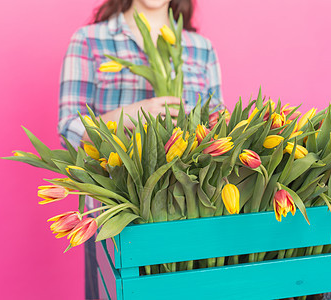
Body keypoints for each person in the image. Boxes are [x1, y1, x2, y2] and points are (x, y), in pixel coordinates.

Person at [57, 0, 223, 298]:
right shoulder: (90, 40)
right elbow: (69, 131)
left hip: (190, 212)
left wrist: (192, 125)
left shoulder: (201, 48)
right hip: (115, 215)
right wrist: (131, 115)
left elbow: (220, 130)